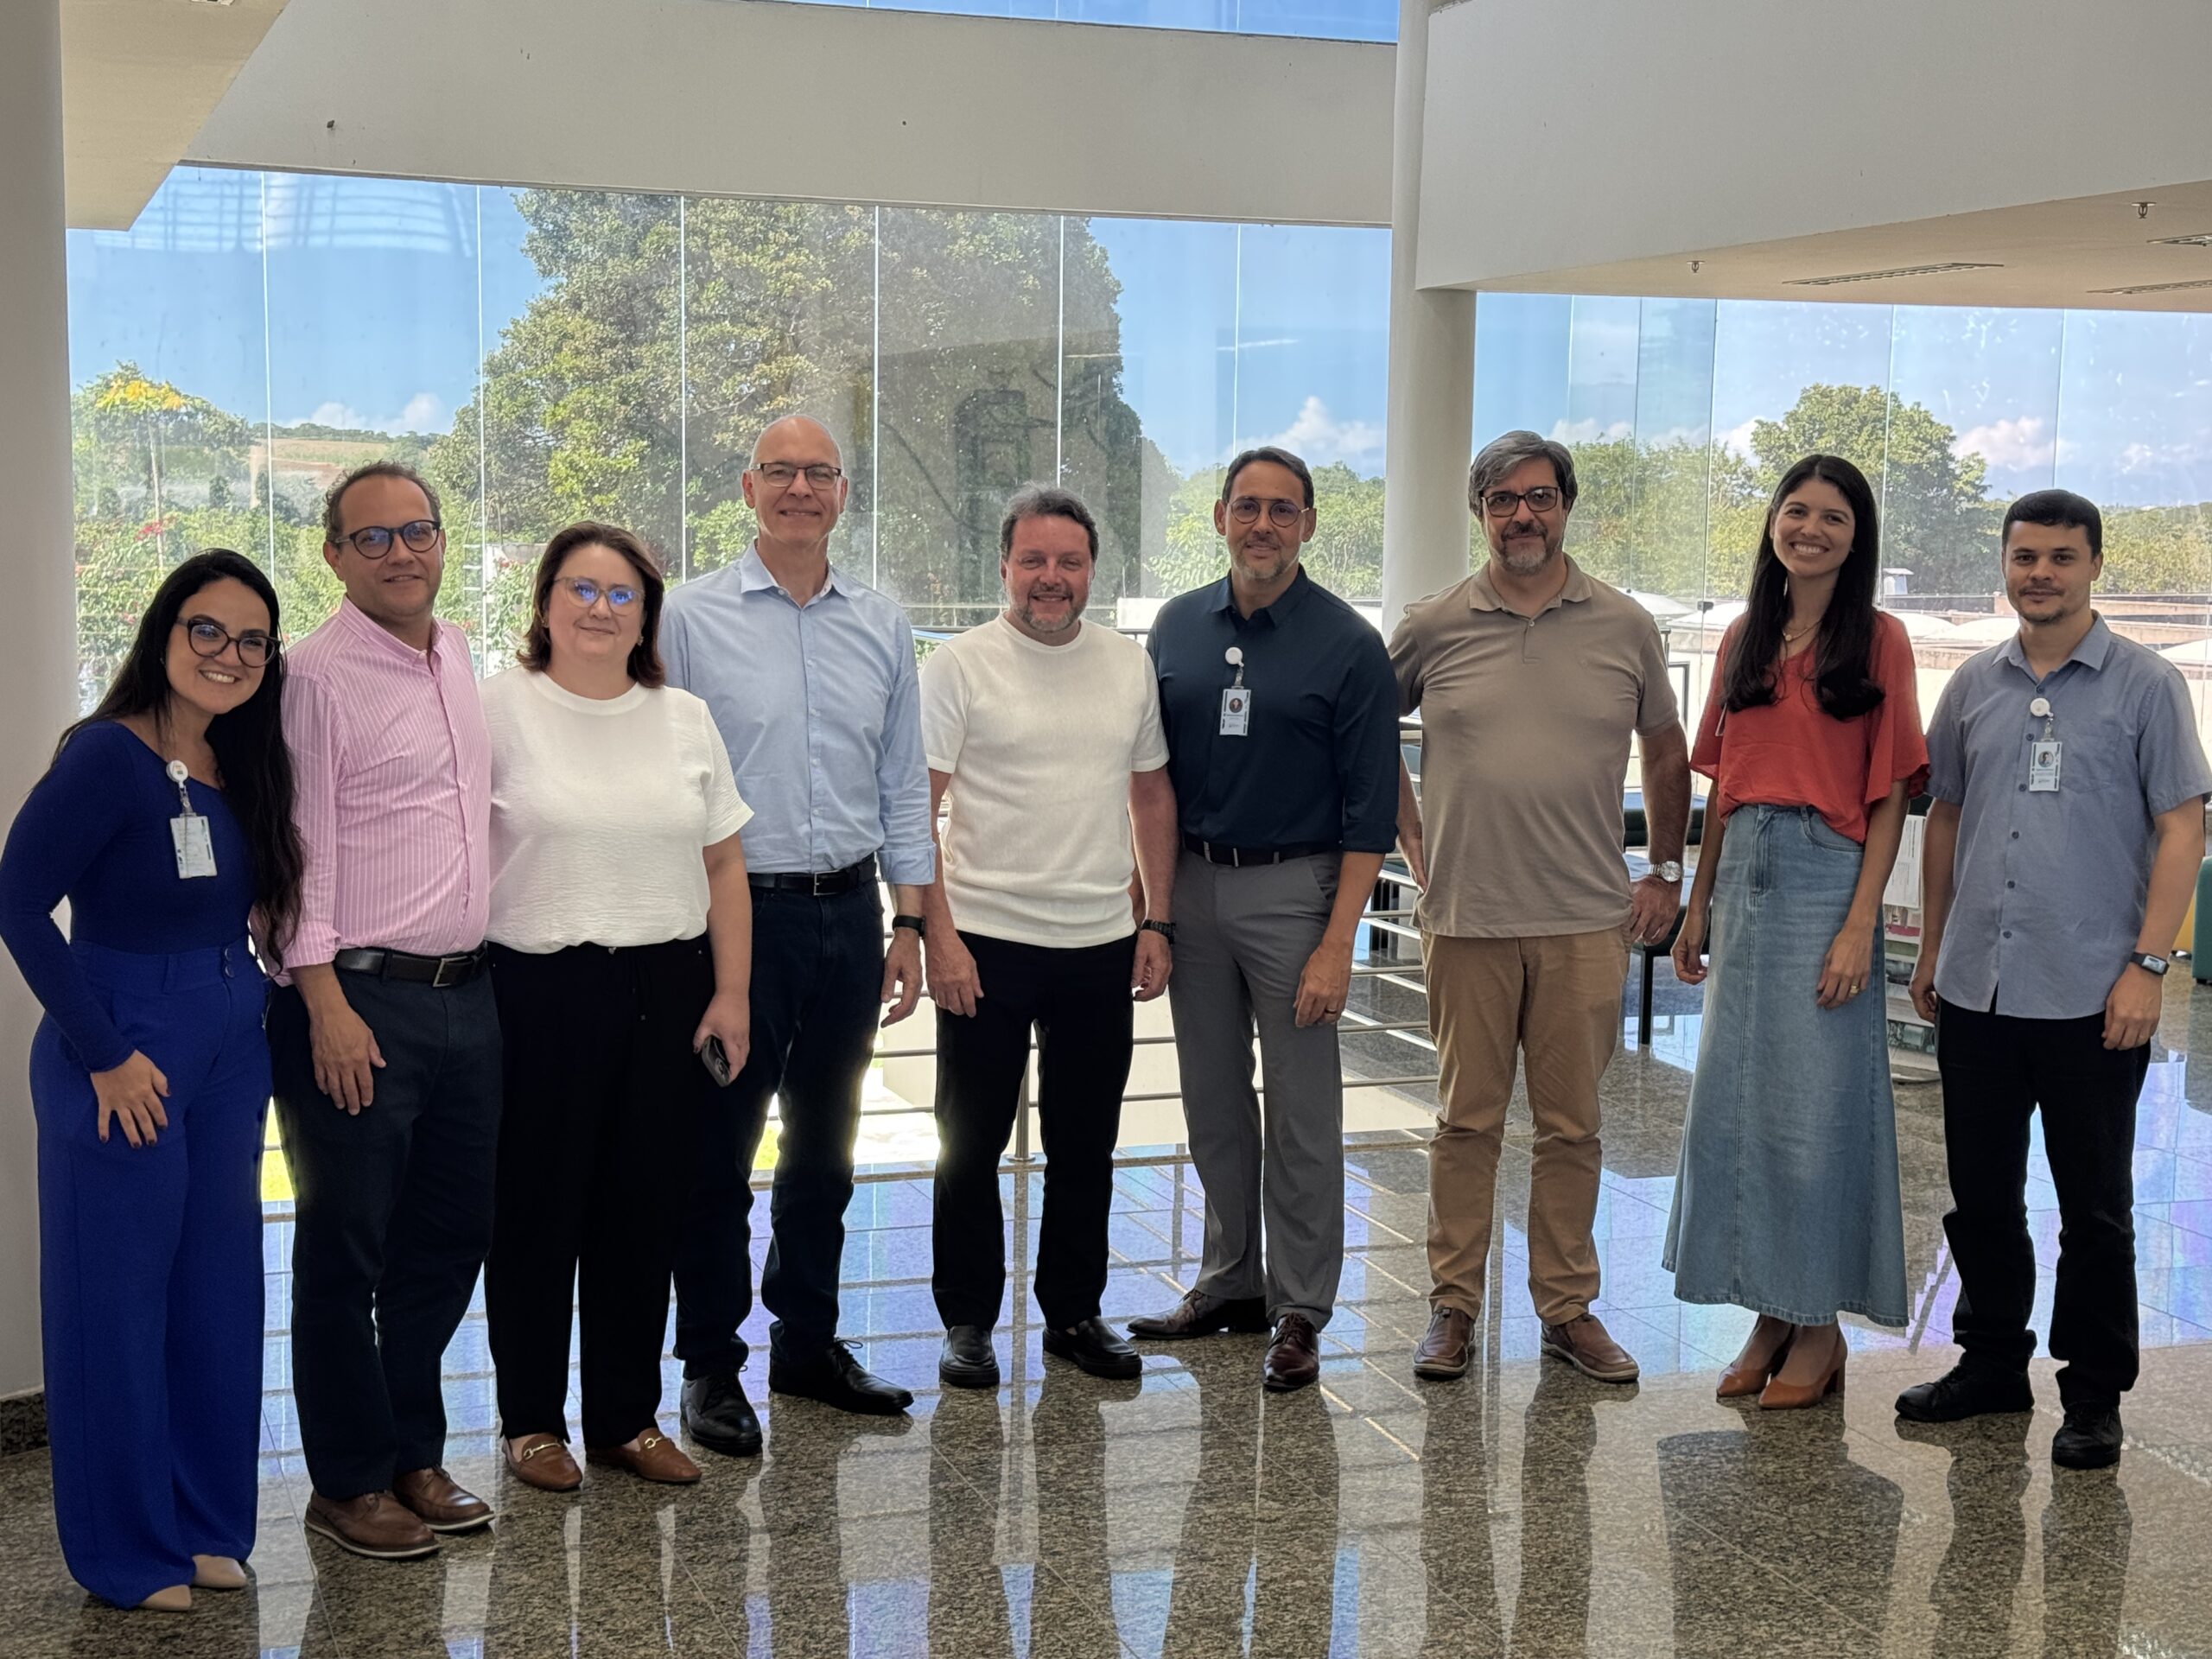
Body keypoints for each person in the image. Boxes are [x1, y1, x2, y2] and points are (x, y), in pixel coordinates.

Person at [0, 551, 301, 1612]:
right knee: (113, 1301)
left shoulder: (238, 759)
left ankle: (205, 1522)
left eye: (252, 639)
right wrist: (103, 1054)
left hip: (230, 1035)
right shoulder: (104, 757)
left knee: (218, 1291)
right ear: (164, 635)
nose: (229, 654)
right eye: (206, 631)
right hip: (122, 1041)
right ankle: (127, 1551)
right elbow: (19, 903)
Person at [1897, 488, 2210, 1469]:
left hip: (2093, 992)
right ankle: (1991, 1363)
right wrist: (1934, 949)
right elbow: (1944, 815)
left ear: (2093, 566)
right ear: (2004, 564)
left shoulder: (2146, 685)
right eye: (2024, 557)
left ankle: (2092, 1393)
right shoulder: (1972, 687)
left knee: (2095, 1207)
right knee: (1979, 1195)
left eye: (2060, 558)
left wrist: (2146, 966)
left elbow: (2182, 826)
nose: (2040, 574)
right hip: (1978, 987)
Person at [1390, 429, 1691, 1386]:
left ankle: (1567, 1310)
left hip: (1583, 920)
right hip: (1467, 918)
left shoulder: (1623, 623)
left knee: (1571, 1127)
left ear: (1566, 506)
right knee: (1464, 1124)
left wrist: (1666, 872)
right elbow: (1359, 739)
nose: (1523, 514)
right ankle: (1452, 1309)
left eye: (1540, 497)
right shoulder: (1433, 623)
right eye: (1502, 499)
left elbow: (1666, 748)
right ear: (1478, 513)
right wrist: (1412, 841)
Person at [666, 416, 934, 1446]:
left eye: (818, 472)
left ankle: (808, 1343)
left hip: (849, 916)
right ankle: (710, 1365)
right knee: (718, 1159)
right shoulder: (689, 618)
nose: (799, 488)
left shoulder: (883, 622)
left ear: (843, 493)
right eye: (780, 471)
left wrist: (908, 919)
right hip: (735, 925)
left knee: (826, 1153)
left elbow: (902, 784)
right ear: (747, 488)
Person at [480, 524, 754, 1492]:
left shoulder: (682, 715)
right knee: (537, 1211)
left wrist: (731, 993)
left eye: (622, 594)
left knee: (645, 1211)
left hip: (671, 988)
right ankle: (530, 1423)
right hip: (540, 989)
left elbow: (723, 862)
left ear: (647, 611)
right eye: (581, 588)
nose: (600, 609)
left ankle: (626, 1420)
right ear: (546, 599)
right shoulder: (495, 709)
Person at [1127, 445, 1401, 1393]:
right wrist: (1151, 908)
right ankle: (1230, 1281)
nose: (1263, 526)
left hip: (1296, 894)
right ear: (1218, 518)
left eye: (1283, 510)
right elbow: (1149, 780)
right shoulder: (1175, 628)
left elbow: (1371, 812)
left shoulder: (1347, 645)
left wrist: (1337, 945)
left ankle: (1300, 1307)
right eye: (1247, 507)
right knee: (1210, 1101)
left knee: (1301, 1112)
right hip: (1192, 886)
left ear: (1309, 526)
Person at [1664, 454, 1928, 1408]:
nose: (1809, 529)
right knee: (1737, 1109)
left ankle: (1816, 1324)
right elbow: (1724, 792)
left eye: (1832, 517)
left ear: (1855, 539)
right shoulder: (1745, 635)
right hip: (1743, 875)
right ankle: (1768, 1309)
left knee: (1813, 1110)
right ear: (1772, 522)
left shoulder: (1880, 642)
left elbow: (1893, 790)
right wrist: (1696, 906)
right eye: (1795, 510)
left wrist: (1861, 923)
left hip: (1826, 875)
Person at [272, 461, 501, 1560]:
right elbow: (295, 847)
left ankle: (414, 1451)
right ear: (333, 555)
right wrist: (321, 999)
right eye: (373, 539)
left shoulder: (458, 650)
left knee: (444, 1242)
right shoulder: (312, 677)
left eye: (417, 531)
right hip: (357, 1000)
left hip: (469, 994)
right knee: (346, 1249)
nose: (400, 553)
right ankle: (349, 1479)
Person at [920, 486, 1178, 1389]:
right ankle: (966, 1321)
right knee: (970, 1143)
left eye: (1068, 563)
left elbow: (1151, 795)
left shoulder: (1125, 666)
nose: (1050, 579)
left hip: (1100, 942)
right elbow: (921, 807)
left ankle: (1073, 1311)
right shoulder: (958, 666)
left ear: (1091, 572)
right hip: (984, 944)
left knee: (1083, 1143)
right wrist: (933, 937)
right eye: (1033, 561)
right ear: (1004, 567)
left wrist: (1155, 919)